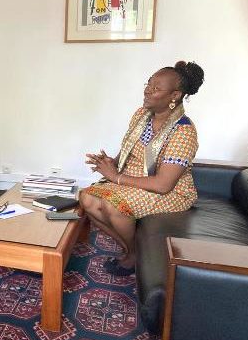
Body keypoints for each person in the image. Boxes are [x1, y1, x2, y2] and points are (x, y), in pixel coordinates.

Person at [79, 61, 205, 276]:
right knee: (86, 198)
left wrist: (116, 177)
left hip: (171, 191)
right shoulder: (141, 115)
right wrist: (111, 163)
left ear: (175, 95)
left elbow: (164, 184)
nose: (147, 90)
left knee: (113, 207)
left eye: (156, 88)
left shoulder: (184, 131)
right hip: (132, 179)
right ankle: (133, 250)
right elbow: (128, 149)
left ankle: (132, 255)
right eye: (149, 83)